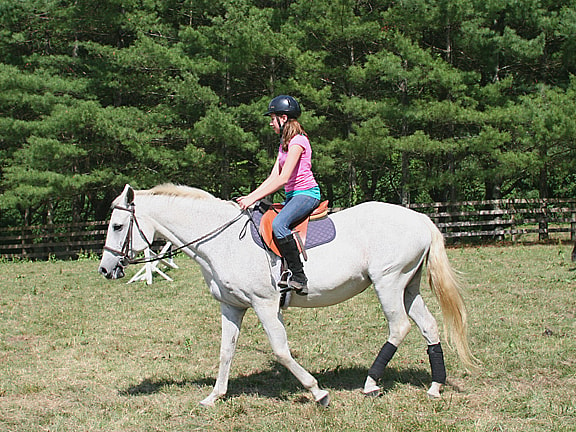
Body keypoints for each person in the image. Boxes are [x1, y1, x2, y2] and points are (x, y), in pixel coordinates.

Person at [236, 95, 321, 295]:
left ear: (283, 118)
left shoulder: (298, 141)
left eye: (272, 118)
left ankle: (299, 276)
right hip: (292, 196)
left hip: (306, 194)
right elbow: (273, 176)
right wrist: (251, 196)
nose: (270, 122)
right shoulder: (284, 143)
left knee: (279, 225)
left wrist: (253, 198)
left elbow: (283, 179)